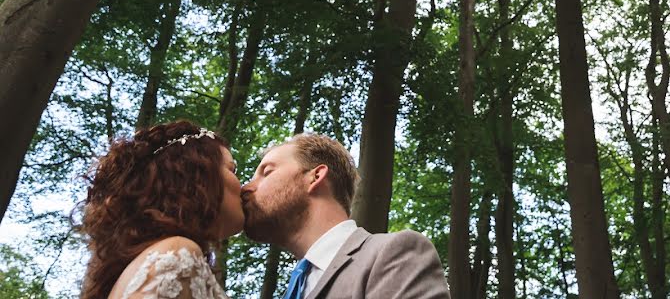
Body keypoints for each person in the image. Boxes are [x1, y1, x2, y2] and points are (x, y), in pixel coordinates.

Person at [241, 134, 450, 299]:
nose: (246, 188)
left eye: (266, 172)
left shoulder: (394, 254)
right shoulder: (295, 288)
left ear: (315, 177)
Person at [80, 121, 243, 299]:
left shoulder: (152, 259)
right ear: (196, 176)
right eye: (232, 169)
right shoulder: (176, 254)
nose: (244, 186)